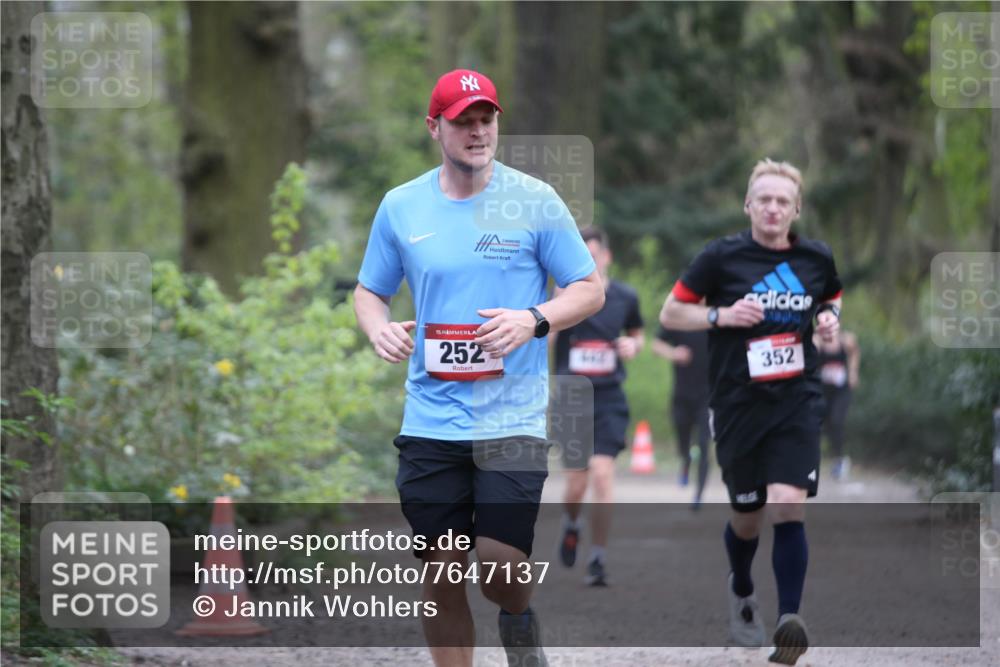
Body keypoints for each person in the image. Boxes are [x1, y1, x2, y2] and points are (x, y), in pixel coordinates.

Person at [353, 69, 604, 667]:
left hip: (510, 418)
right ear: (434, 127)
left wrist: (533, 320)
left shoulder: (535, 201)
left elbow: (588, 290)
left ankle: (518, 618)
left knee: (498, 563)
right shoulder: (401, 206)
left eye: (485, 119)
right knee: (442, 569)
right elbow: (369, 291)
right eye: (462, 120)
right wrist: (377, 327)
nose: (476, 131)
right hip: (431, 419)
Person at [659, 159, 842, 665]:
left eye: (783, 201)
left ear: (796, 209)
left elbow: (831, 299)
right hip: (737, 403)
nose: (773, 207)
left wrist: (827, 320)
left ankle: (789, 619)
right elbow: (670, 312)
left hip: (796, 400)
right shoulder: (721, 257)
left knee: (788, 501)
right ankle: (742, 588)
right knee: (747, 515)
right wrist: (720, 314)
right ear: (748, 205)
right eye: (763, 198)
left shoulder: (815, 257)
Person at [553, 226, 644, 586]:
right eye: (582, 256)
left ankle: (597, 558)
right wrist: (555, 313)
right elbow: (541, 339)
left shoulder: (625, 296)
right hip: (573, 397)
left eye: (594, 255)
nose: (589, 262)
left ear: (606, 257)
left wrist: (632, 346)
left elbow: (637, 334)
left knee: (603, 475)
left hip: (609, 397)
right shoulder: (562, 296)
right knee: (577, 483)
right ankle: (572, 523)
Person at [651, 327, 711, 509]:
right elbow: (656, 344)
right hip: (682, 395)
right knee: (683, 443)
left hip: (708, 398)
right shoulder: (680, 315)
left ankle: (698, 495)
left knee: (703, 444)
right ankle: (685, 461)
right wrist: (673, 353)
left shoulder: (717, 315)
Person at [813, 329, 860, 480]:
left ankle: (840, 460)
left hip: (841, 391)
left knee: (837, 420)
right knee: (823, 424)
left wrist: (853, 372)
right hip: (823, 390)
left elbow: (854, 353)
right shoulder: (816, 340)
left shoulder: (846, 340)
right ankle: (818, 460)